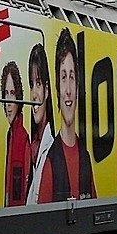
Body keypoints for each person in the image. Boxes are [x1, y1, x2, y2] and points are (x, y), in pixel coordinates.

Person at [35, 27, 95, 203]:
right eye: (63, 78)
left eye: (72, 77)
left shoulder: (85, 158)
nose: (68, 90)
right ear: (57, 88)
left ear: (77, 87)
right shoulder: (50, 162)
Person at [25, 42, 54, 205]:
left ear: (47, 89)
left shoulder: (53, 149)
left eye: (38, 83)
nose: (34, 95)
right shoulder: (33, 147)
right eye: (31, 85)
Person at [1, 61, 31, 206]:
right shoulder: (11, 134)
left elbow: (18, 193)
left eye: (12, 94)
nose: (8, 102)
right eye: (5, 94)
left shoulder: (21, 138)